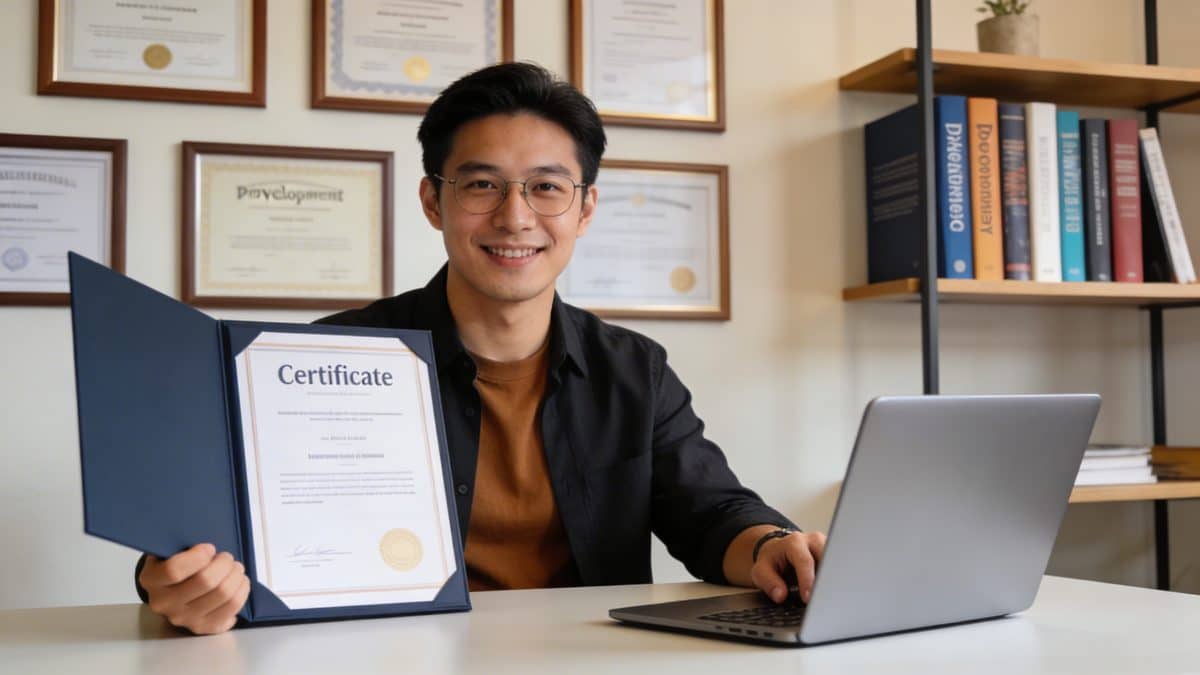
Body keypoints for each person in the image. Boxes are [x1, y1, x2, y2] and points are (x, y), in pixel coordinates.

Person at [135, 62, 826, 635]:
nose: (515, 216)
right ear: (433, 201)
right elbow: (207, 531)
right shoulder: (323, 356)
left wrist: (772, 546)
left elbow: (711, 514)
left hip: (586, 658)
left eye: (546, 187)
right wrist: (174, 579)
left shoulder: (633, 368)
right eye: (482, 185)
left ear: (584, 208)